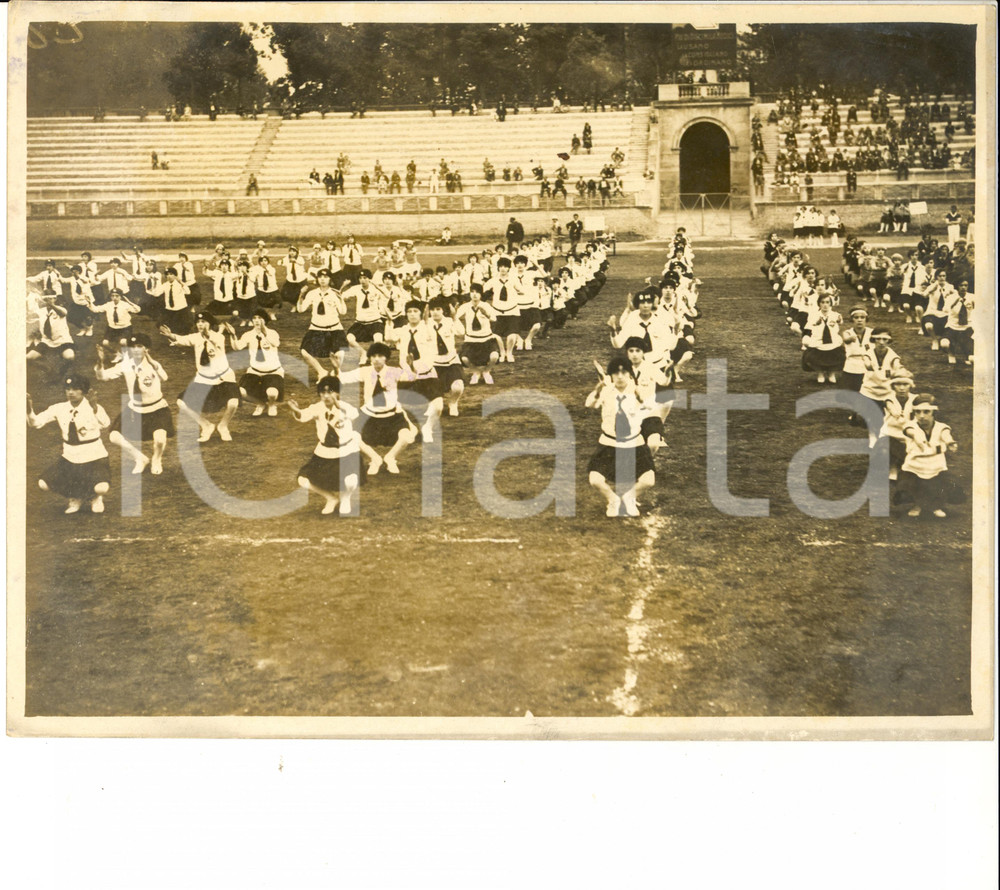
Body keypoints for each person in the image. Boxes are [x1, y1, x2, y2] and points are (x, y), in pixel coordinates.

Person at [289, 376, 376, 516]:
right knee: (303, 480)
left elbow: (354, 415)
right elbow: (303, 416)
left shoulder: (346, 407)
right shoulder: (317, 407)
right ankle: (331, 498)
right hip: (324, 453)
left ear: (338, 393)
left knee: (350, 480)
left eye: (330, 392)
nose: (326, 396)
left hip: (347, 452)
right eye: (323, 392)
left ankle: (346, 498)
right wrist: (296, 410)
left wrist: (337, 404)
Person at [27, 374, 112, 514]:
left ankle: (95, 497)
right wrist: (29, 410)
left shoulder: (93, 406)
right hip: (70, 457)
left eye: (75, 389)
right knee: (43, 484)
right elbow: (35, 423)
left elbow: (106, 424)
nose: (70, 392)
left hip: (94, 456)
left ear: (84, 391)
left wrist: (95, 408)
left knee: (101, 488)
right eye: (68, 389)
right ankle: (75, 497)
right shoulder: (59, 408)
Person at [585, 356, 655, 518]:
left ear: (630, 374)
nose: (620, 376)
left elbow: (650, 409)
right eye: (616, 373)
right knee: (595, 479)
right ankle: (613, 500)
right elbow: (589, 404)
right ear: (611, 375)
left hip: (634, 443)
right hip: (609, 443)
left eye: (624, 372)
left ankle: (630, 498)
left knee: (649, 480)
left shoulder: (638, 389)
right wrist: (597, 391)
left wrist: (640, 397)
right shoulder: (606, 390)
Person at [94, 333, 173, 476]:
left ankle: (156, 459)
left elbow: (165, 378)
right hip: (135, 409)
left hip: (157, 408)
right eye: (132, 347)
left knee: (160, 440)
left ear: (146, 349)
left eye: (139, 346)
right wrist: (100, 362)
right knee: (114, 436)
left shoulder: (153, 364)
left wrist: (153, 364)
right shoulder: (125, 365)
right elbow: (102, 377)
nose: (135, 350)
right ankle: (140, 458)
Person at [338, 341, 418, 475]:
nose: (376, 359)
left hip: (392, 416)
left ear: (386, 358)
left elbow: (412, 377)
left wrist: (412, 366)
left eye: (380, 356)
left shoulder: (393, 371)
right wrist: (337, 368)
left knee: (407, 436)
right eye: (373, 356)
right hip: (369, 416)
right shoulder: (365, 371)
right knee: (352, 436)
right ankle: (375, 459)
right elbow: (343, 378)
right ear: (369, 357)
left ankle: (390, 457)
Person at [160, 311, 240, 443]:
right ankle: (206, 425)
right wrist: (170, 335)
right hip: (204, 379)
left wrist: (208, 335)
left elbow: (216, 341)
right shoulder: (196, 337)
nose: (200, 324)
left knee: (233, 403)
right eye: (198, 322)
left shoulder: (219, 337)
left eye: (203, 322)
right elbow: (182, 339)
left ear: (210, 324)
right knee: (182, 402)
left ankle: (223, 426)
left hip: (223, 378)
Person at [898, 394, 958, 518]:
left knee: (937, 485)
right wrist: (917, 438)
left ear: (934, 412)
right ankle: (917, 505)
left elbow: (946, 435)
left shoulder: (941, 427)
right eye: (918, 412)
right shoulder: (910, 426)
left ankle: (936, 506)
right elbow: (911, 432)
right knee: (913, 485)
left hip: (935, 464)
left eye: (926, 412)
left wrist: (950, 442)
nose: (922, 416)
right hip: (915, 464)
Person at [226, 310, 285, 417]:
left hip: (273, 372)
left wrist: (264, 332)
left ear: (265, 320)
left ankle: (272, 405)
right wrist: (233, 335)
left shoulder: (272, 333)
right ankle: (261, 404)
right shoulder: (249, 334)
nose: (257, 321)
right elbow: (237, 347)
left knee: (272, 393)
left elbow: (276, 343)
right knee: (240, 392)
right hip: (254, 371)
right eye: (254, 318)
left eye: (260, 318)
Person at [297, 268, 350, 381]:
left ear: (330, 279)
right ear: (317, 279)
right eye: (320, 277)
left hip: (334, 329)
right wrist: (301, 295)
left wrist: (341, 299)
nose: (322, 279)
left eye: (325, 277)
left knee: (339, 354)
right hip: (316, 329)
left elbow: (343, 312)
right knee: (304, 352)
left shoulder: (334, 293)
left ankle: (336, 372)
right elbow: (301, 309)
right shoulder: (312, 293)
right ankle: (321, 372)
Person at [426, 298, 465, 417]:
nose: (435, 312)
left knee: (458, 387)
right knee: (432, 390)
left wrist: (455, 317)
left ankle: (453, 403)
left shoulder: (449, 321)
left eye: (438, 309)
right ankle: (433, 404)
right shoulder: (425, 323)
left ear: (443, 310)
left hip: (451, 361)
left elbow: (461, 332)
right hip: (434, 363)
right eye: (432, 309)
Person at [455, 284, 500, 385]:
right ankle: (475, 372)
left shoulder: (486, 305)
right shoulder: (465, 306)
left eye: (477, 292)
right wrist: (454, 314)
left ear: (481, 294)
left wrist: (486, 314)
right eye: (472, 292)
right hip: (471, 339)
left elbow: (494, 319)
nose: (474, 295)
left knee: (494, 356)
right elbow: (455, 318)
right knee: (464, 358)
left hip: (486, 339)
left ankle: (486, 371)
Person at [26, 295, 76, 383]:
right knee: (28, 358)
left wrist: (51, 305)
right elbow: (31, 315)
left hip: (62, 341)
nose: (47, 301)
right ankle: (46, 368)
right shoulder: (41, 311)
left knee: (70, 357)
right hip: (46, 341)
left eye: (50, 298)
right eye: (45, 299)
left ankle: (60, 373)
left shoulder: (60, 309)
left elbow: (63, 313)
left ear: (54, 299)